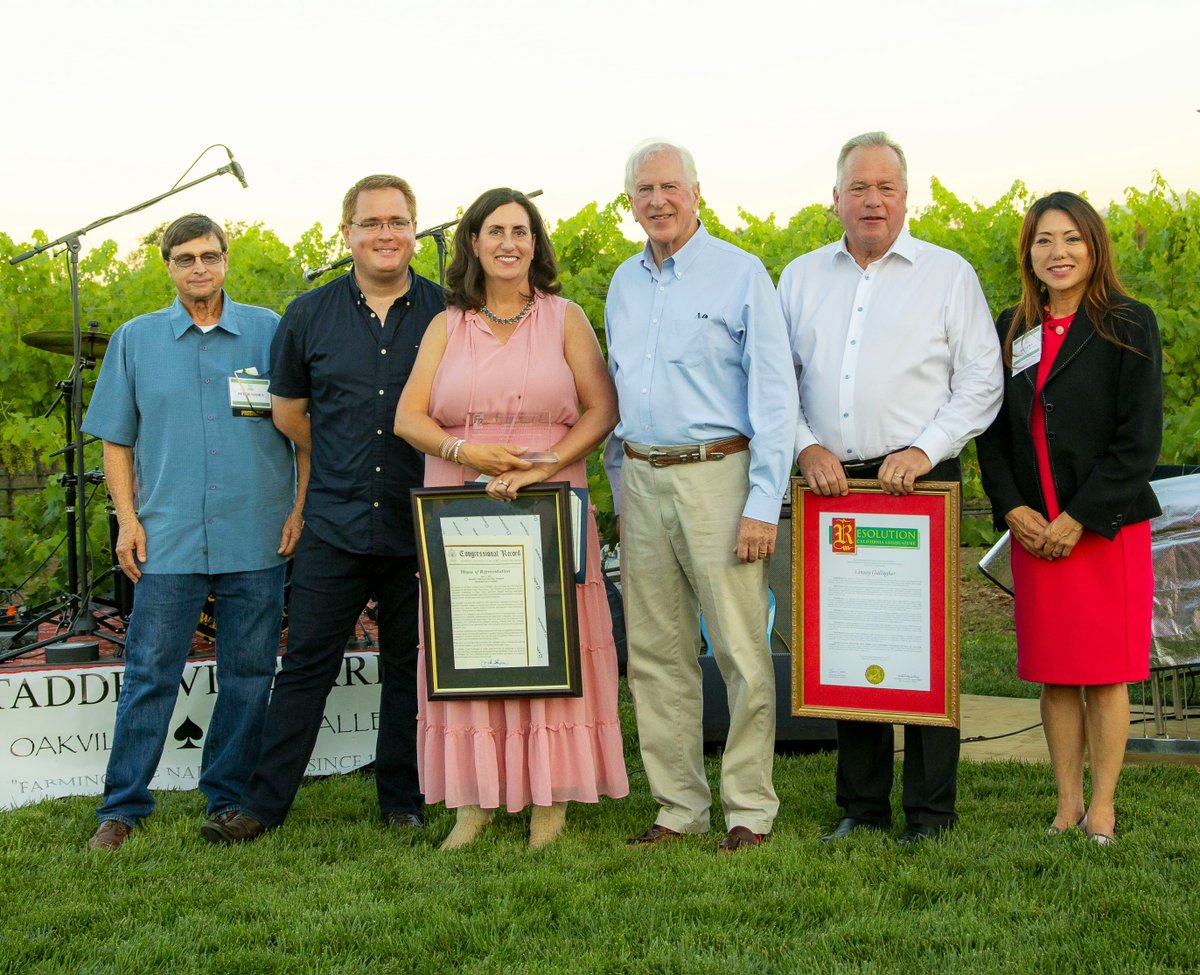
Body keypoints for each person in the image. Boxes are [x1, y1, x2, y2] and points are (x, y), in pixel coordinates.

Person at [202, 175, 443, 844]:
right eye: (371, 223)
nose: (385, 233)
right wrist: (337, 452)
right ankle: (262, 805)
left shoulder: (449, 312)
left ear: (414, 229)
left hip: (419, 520)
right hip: (333, 521)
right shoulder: (308, 314)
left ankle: (402, 798)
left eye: (396, 221)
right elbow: (287, 413)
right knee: (305, 668)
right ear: (348, 234)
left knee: (409, 667)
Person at [779, 132, 1002, 845]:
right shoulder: (800, 279)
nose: (871, 200)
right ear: (834, 198)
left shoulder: (948, 274)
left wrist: (925, 448)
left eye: (885, 188)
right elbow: (776, 383)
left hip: (919, 482)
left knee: (922, 646)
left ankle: (931, 812)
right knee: (850, 637)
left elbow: (981, 381)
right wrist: (806, 445)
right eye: (858, 187)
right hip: (833, 483)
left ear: (907, 197)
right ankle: (862, 805)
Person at [393, 188, 629, 850]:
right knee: (474, 640)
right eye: (494, 230)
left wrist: (544, 462)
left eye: (520, 231)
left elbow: (602, 409)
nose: (508, 243)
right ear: (473, 242)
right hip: (461, 499)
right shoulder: (446, 326)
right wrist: (463, 451)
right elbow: (408, 417)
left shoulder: (565, 318)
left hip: (547, 495)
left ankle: (550, 797)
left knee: (550, 638)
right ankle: (474, 800)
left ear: (535, 243)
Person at [82, 214, 302, 850]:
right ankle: (122, 806)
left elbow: (304, 426)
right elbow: (116, 441)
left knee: (249, 675)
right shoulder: (135, 340)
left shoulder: (269, 332)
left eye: (209, 255)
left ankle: (228, 797)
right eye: (185, 258)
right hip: (168, 537)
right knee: (149, 674)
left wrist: (300, 508)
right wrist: (127, 521)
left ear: (226, 260)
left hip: (257, 533)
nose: (199, 268)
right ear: (168, 267)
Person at [604, 140, 798, 853]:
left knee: (741, 649)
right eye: (644, 189)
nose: (658, 200)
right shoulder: (622, 283)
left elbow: (775, 397)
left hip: (719, 476)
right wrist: (622, 488)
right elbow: (621, 392)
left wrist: (762, 502)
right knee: (656, 651)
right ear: (631, 202)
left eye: (669, 187)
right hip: (642, 478)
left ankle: (749, 808)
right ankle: (679, 805)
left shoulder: (740, 273)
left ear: (695, 192)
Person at [976, 192, 1162, 846]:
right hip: (1034, 531)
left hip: (1104, 529)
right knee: (1055, 675)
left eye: (1072, 239)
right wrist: (1013, 508)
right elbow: (991, 433)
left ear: (1094, 247)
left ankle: (1102, 809)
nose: (1058, 253)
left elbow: (1139, 440)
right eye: (1044, 240)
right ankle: (1065, 805)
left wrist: (1080, 517)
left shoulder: (1129, 323)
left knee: (1106, 674)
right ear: (1028, 253)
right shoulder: (1011, 327)